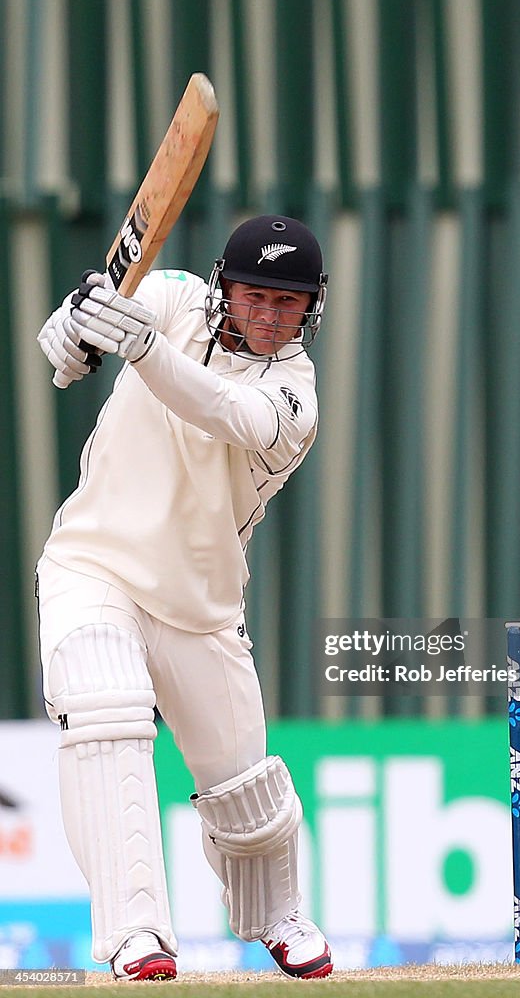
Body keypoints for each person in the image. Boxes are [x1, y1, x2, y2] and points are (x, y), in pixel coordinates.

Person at [35, 215, 333, 981]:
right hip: (93, 564)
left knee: (245, 791)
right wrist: (74, 330)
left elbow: (223, 411)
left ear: (311, 308)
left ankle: (278, 915)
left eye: (287, 303)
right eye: (254, 296)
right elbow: (84, 321)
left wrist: (138, 347)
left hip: (201, 604)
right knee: (107, 715)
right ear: (222, 287)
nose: (268, 316)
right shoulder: (168, 298)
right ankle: (137, 935)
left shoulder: (293, 397)